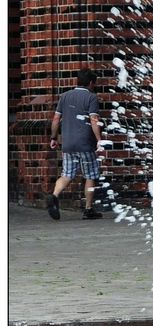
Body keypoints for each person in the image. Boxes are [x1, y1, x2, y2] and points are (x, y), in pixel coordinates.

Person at [46, 67, 106, 221]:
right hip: (85, 144)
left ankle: (54, 196)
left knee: (67, 174)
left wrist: (54, 137)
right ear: (91, 83)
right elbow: (94, 120)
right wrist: (99, 140)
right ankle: (88, 209)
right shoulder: (91, 97)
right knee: (90, 175)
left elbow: (56, 119)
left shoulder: (65, 96)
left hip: (68, 144)